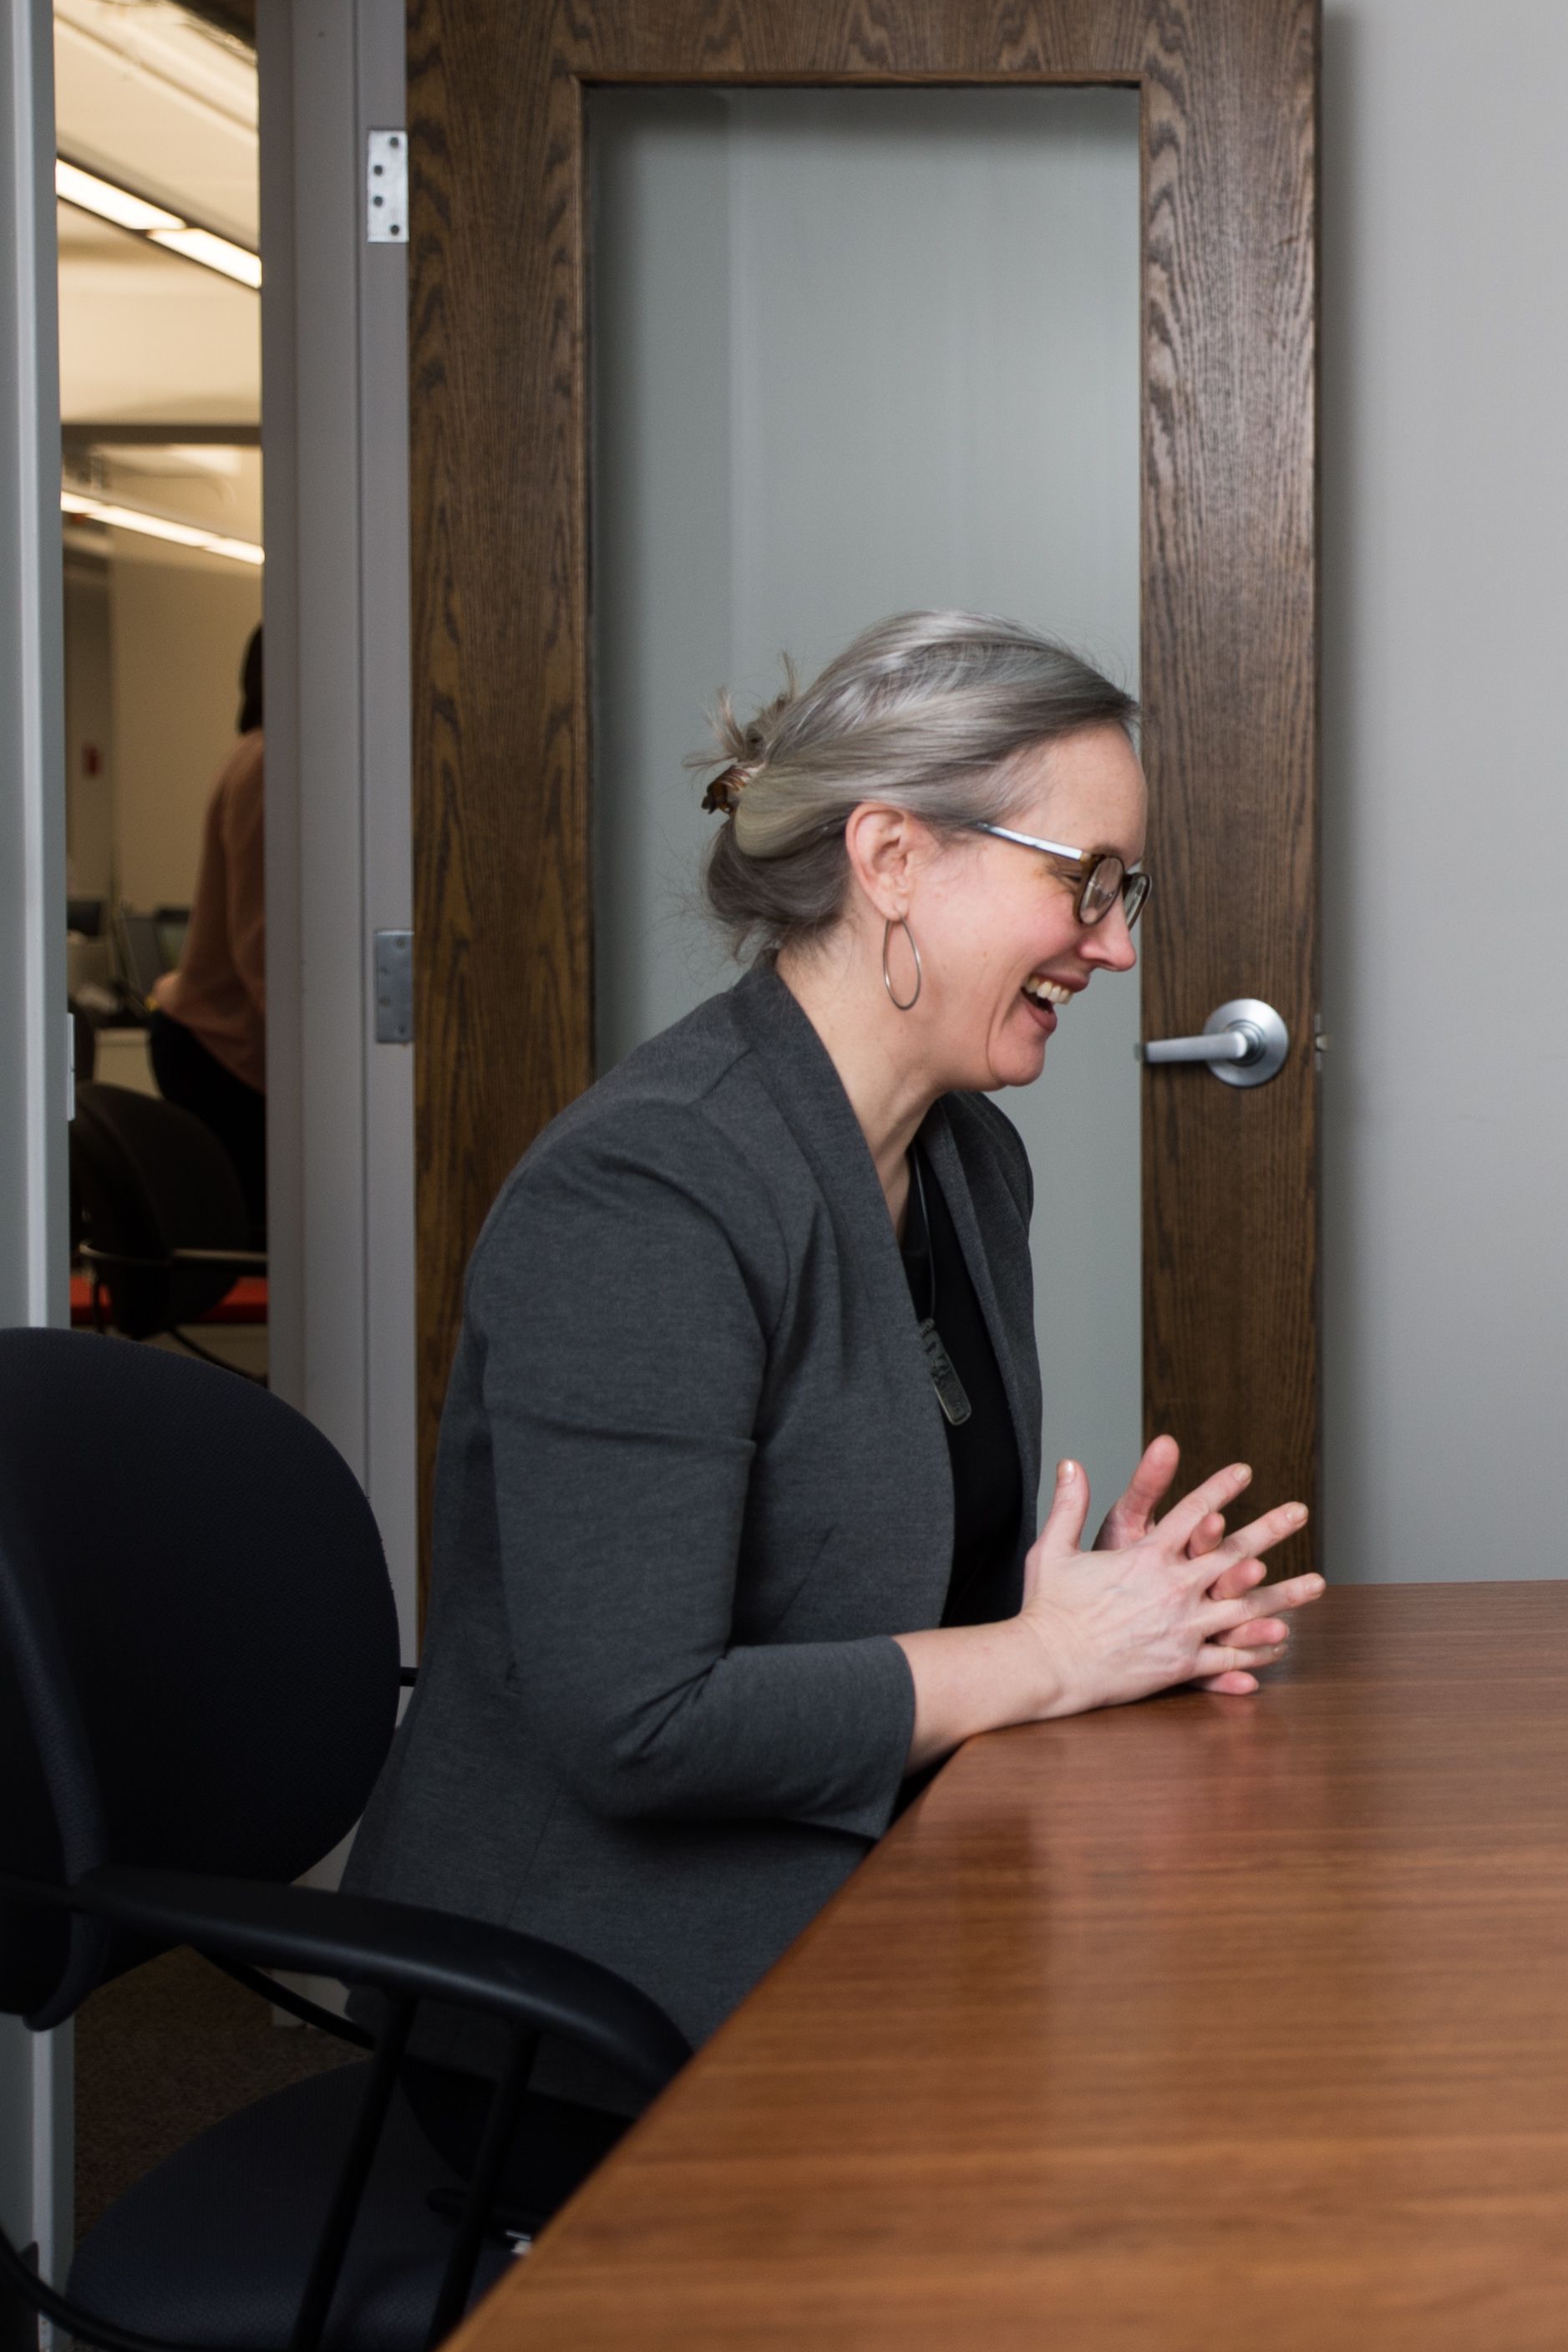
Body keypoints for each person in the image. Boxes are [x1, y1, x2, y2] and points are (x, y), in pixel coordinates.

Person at [344, 610, 1322, 2205]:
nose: (1119, 943)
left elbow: (858, 1588)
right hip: (578, 2005)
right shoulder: (649, 1187)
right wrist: (1042, 1654)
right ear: (891, 857)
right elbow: (638, 1722)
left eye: (1123, 889)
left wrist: (1077, 1609)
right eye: (1085, 880)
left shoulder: (960, 1158)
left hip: (852, 1890)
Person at [145, 625, 266, 1227]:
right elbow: (260, 939)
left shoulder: (250, 754)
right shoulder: (270, 760)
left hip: (214, 1039)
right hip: (224, 1048)